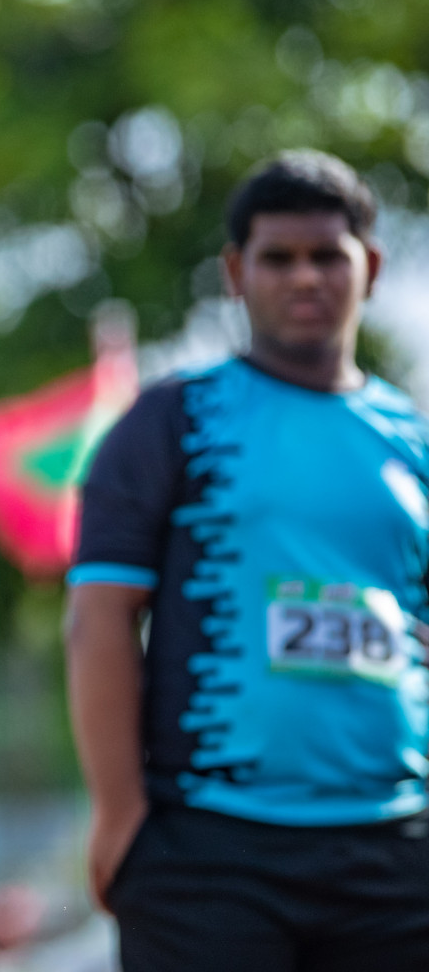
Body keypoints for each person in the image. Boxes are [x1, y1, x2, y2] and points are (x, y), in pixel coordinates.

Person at [65, 150, 429, 971]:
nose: (306, 279)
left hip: (397, 855)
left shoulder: (412, 439)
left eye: (327, 256)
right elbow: (98, 622)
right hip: (209, 854)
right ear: (236, 271)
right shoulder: (169, 423)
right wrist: (121, 819)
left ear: (368, 267)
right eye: (279, 258)